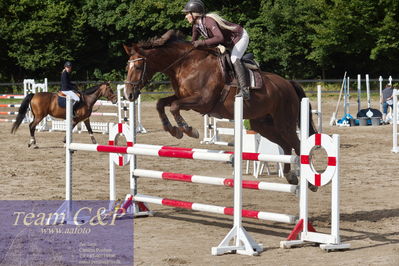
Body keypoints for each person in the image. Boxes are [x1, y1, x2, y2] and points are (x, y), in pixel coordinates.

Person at [182, 0, 251, 100]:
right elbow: (193, 43)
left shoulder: (209, 21)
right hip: (229, 42)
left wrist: (201, 43)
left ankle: (245, 90)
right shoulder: (196, 26)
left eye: (187, 13)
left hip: (240, 37)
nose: (186, 16)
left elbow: (219, 38)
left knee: (234, 58)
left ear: (194, 14)